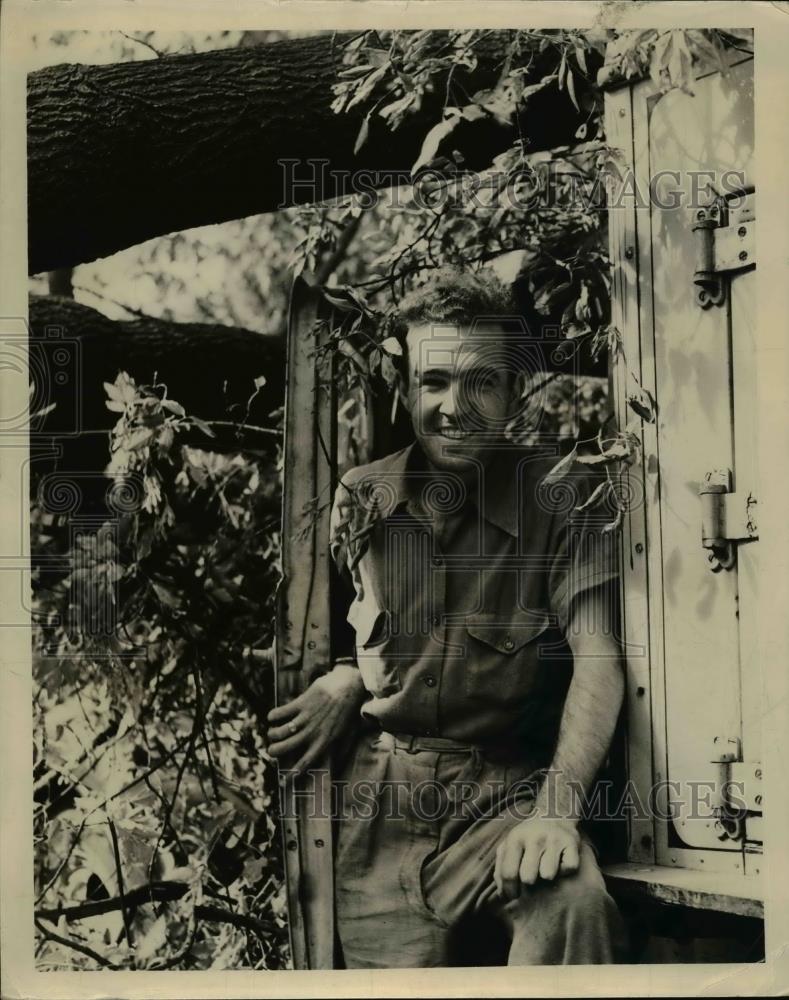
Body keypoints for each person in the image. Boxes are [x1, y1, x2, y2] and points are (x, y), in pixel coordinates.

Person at [267, 268, 627, 968]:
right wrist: (346, 679)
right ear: (407, 390)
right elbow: (351, 631)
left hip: (504, 801)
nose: (453, 406)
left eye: (479, 383)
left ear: (513, 392)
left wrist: (556, 809)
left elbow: (598, 657)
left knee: (573, 902)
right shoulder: (359, 498)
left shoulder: (563, 496)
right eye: (433, 382)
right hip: (377, 812)